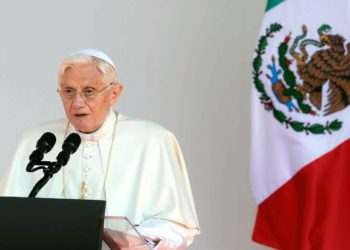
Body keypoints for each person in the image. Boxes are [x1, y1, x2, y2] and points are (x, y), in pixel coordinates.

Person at [0, 49, 200, 249]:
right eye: (68, 91)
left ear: (114, 94)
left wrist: (132, 238)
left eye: (89, 91)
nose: (77, 103)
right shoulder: (36, 139)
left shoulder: (153, 140)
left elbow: (178, 227)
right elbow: (9, 219)